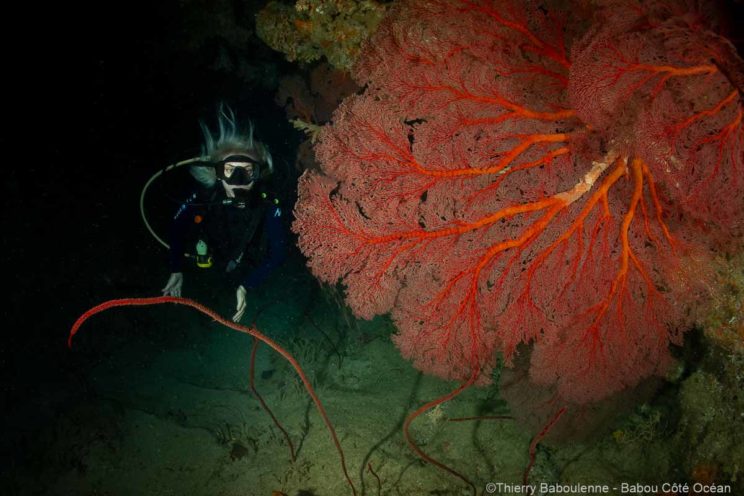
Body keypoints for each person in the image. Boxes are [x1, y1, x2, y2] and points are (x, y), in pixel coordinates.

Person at [161, 105, 287, 322]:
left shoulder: (267, 204)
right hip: (205, 267)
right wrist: (176, 269)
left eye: (247, 171)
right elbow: (177, 227)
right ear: (217, 173)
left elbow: (278, 252)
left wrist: (247, 285)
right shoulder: (204, 197)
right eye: (230, 170)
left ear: (258, 174)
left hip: (244, 267)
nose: (238, 180)